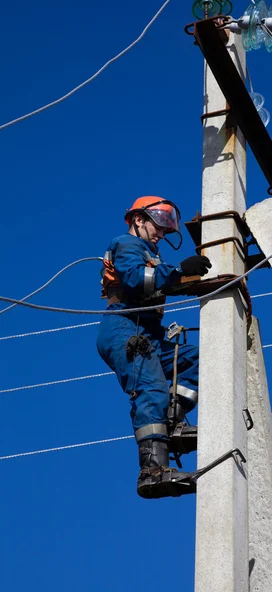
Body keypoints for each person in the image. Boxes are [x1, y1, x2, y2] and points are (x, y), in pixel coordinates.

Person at [96, 196, 211, 499]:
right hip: (126, 329)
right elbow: (136, 279)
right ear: (138, 220)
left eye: (165, 230)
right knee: (151, 388)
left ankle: (171, 423)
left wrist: (189, 278)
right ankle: (152, 472)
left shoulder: (152, 253)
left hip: (150, 333)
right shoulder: (128, 244)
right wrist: (177, 272)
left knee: (197, 360)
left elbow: (161, 281)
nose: (161, 234)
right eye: (158, 226)